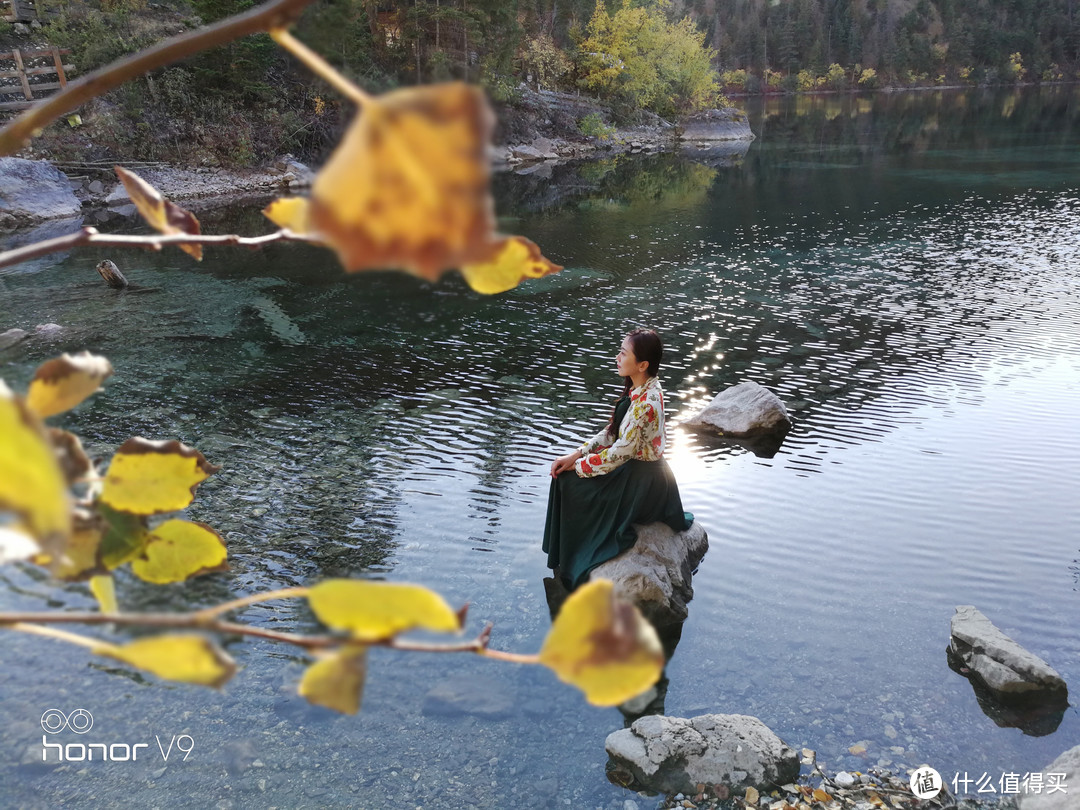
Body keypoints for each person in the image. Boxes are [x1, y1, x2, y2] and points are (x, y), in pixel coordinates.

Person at [542, 328, 693, 588]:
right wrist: (577, 454)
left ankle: (573, 555)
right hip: (632, 469)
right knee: (563, 476)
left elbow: (619, 453)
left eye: (623, 353)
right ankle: (565, 551)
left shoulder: (648, 402)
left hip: (644, 483)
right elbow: (613, 432)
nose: (617, 357)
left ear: (642, 364)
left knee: (570, 483)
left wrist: (580, 467)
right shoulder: (641, 387)